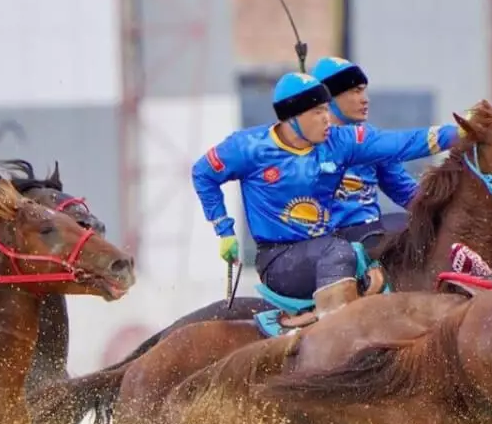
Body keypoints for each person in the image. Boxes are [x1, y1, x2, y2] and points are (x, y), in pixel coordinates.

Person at [192, 72, 458, 316]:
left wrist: (458, 133)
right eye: (318, 111)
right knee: (339, 253)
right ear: (294, 117)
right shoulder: (248, 147)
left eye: (327, 109)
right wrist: (224, 229)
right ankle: (339, 342)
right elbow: (203, 173)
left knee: (408, 228)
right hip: (279, 259)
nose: (327, 118)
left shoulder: (339, 142)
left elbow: (401, 143)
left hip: (327, 242)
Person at [310, 56, 417, 254]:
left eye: (364, 90)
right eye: (355, 91)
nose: (365, 99)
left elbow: (406, 191)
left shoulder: (370, 140)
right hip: (326, 243)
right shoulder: (304, 142)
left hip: (369, 232)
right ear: (330, 98)